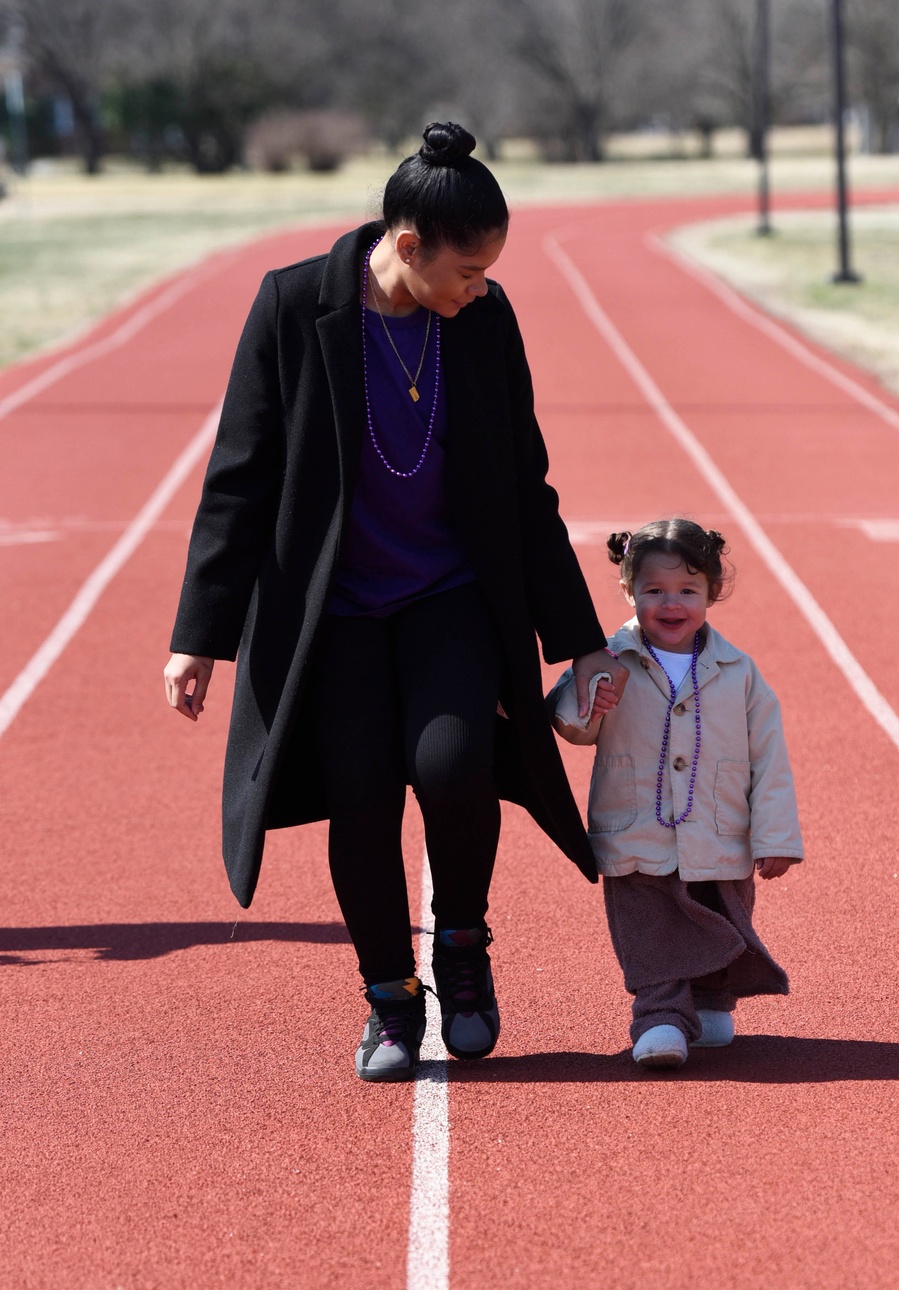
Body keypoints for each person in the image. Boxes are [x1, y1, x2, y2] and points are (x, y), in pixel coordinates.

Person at [164, 121, 626, 1083]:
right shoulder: (294, 307)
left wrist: (579, 642)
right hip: (331, 613)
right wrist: (197, 637)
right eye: (466, 269)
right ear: (407, 246)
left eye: (491, 270)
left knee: (455, 764)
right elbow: (238, 479)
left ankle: (461, 951)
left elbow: (524, 489)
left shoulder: (484, 324)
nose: (481, 288)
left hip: (450, 596)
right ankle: (388, 1000)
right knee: (362, 801)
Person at [547, 517, 802, 1069]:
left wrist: (775, 837)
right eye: (654, 590)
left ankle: (712, 1000)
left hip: (718, 828)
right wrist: (589, 698)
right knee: (649, 928)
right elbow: (571, 724)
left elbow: (769, 758)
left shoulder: (739, 672)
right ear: (629, 589)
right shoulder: (610, 659)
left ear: (711, 593)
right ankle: (659, 1016)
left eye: (688, 590)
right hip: (636, 828)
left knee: (719, 912)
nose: (671, 603)